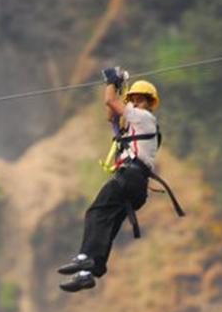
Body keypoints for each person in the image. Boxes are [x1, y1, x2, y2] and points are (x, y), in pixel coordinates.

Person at [58, 68, 165, 292]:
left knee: (96, 212)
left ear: (149, 103)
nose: (136, 103)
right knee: (107, 223)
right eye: (133, 99)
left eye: (140, 100)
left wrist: (110, 82)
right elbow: (111, 116)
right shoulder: (136, 125)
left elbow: (110, 102)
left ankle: (85, 257)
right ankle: (88, 272)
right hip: (136, 186)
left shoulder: (144, 118)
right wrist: (116, 86)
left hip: (131, 176)